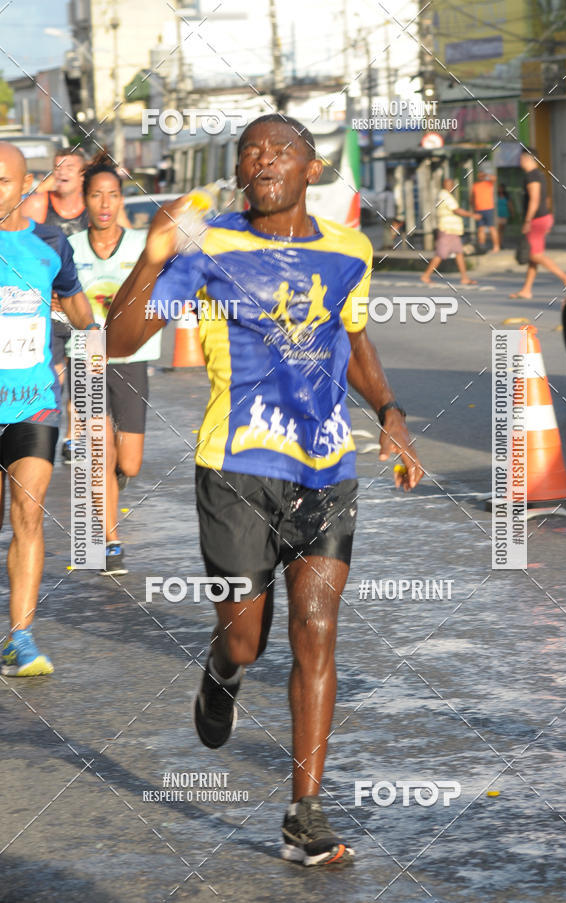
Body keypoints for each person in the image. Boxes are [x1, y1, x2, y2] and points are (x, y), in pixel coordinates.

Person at [106, 114, 424, 865]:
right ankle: (222, 667)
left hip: (326, 471)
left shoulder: (349, 248)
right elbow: (120, 340)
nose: (263, 161)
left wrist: (390, 412)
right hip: (235, 470)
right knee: (247, 634)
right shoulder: (209, 242)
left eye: (280, 151)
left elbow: (353, 337)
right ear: (240, 169)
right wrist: (153, 257)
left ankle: (304, 814)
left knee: (317, 632)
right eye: (251, 152)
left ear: (311, 169)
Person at [0, 142, 96, 676]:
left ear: (23, 184)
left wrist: (96, 347)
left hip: (35, 404)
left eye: (3, 182)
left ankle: (21, 637)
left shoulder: (48, 244)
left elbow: (79, 308)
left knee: (28, 514)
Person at [69, 152, 161, 577]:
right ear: (84, 200)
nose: (104, 204)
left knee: (130, 464)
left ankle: (114, 483)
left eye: (112, 196)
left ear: (121, 199)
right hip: (86, 357)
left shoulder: (143, 247)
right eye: (96, 195)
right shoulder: (68, 249)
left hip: (131, 359)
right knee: (98, 452)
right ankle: (109, 539)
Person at [22, 149, 90, 462]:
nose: (61, 172)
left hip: (81, 298)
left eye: (69, 167)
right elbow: (24, 244)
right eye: (56, 167)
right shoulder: (39, 203)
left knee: (81, 371)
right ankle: (43, 423)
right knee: (57, 369)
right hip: (46, 303)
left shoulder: (96, 204)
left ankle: (74, 436)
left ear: (82, 175)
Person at [510, 147, 566, 299]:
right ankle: (526, 290)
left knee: (534, 255)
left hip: (536, 219)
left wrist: (528, 220)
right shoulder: (539, 175)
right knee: (533, 256)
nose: (520, 161)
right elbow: (546, 199)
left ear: (528, 159)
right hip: (542, 218)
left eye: (521, 158)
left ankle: (565, 277)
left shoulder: (532, 176)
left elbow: (535, 199)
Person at [421, 177, 481, 285]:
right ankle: (426, 275)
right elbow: (456, 210)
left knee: (459, 253)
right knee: (440, 254)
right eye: (449, 184)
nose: (451, 186)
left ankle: (464, 278)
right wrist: (472, 215)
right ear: (445, 185)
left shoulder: (444, 195)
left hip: (452, 230)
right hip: (447, 230)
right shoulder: (445, 195)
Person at [496, 183, 514, 248]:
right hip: (497, 215)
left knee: (501, 231)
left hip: (504, 214)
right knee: (498, 230)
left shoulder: (506, 196)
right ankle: (498, 244)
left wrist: (512, 213)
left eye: (501, 188)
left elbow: (510, 205)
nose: (499, 189)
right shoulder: (495, 196)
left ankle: (500, 243)